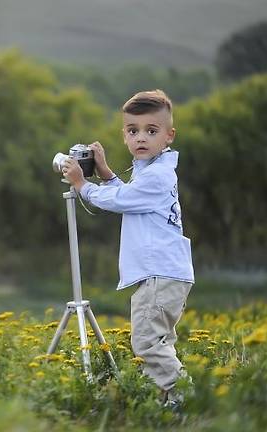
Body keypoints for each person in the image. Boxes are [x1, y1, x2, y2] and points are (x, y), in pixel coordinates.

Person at [61, 90, 195, 408]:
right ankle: (167, 399)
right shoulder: (150, 171)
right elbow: (130, 197)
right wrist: (106, 173)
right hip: (166, 272)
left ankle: (184, 399)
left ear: (169, 136)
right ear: (124, 135)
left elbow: (121, 201)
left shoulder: (158, 176)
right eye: (133, 131)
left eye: (152, 130)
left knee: (147, 342)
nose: (141, 138)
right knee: (159, 341)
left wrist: (83, 185)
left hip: (159, 273)